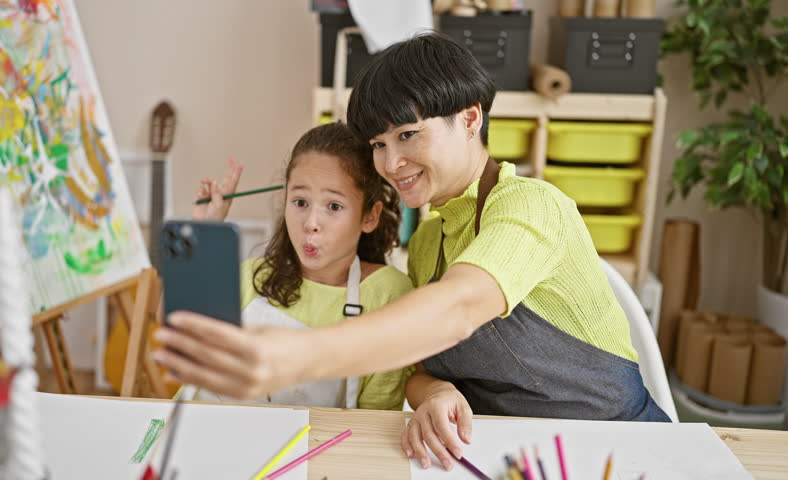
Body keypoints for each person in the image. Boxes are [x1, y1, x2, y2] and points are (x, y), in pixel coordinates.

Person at [154, 32, 669, 473]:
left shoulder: (532, 207)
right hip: (501, 455)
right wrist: (433, 395)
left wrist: (294, 358)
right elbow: (424, 366)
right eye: (379, 143)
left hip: (618, 453)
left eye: (407, 134)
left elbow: (458, 309)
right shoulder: (427, 242)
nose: (391, 161)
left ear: (470, 119)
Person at [174, 122, 413, 410]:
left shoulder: (387, 295)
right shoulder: (254, 276)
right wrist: (203, 233)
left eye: (334, 206)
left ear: (369, 216)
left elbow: (374, 421)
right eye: (300, 202)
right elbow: (177, 337)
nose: (311, 223)